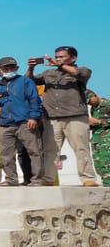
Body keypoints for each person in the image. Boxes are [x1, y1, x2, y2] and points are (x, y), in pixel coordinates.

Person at [29, 47, 97, 186]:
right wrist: (31, 68)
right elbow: (30, 82)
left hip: (75, 117)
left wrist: (59, 64)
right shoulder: (49, 73)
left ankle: (88, 178)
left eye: (61, 57)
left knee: (81, 148)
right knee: (50, 151)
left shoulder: (83, 71)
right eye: (57, 57)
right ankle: (49, 179)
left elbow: (78, 73)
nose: (58, 59)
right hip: (52, 117)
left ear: (73, 58)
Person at [0, 57, 43, 186]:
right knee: (5, 154)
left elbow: (34, 99)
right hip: (6, 123)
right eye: (6, 68)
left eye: (12, 67)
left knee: (34, 151)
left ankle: (37, 179)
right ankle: (11, 179)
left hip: (25, 122)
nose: (9, 70)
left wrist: (33, 117)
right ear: (0, 70)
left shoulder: (25, 81)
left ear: (17, 68)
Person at [88, 90, 109, 186]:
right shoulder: (93, 108)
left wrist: (99, 121)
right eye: (87, 102)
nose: (90, 103)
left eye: (90, 100)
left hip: (106, 139)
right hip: (96, 139)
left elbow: (100, 121)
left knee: (107, 163)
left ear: (95, 96)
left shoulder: (107, 105)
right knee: (98, 165)